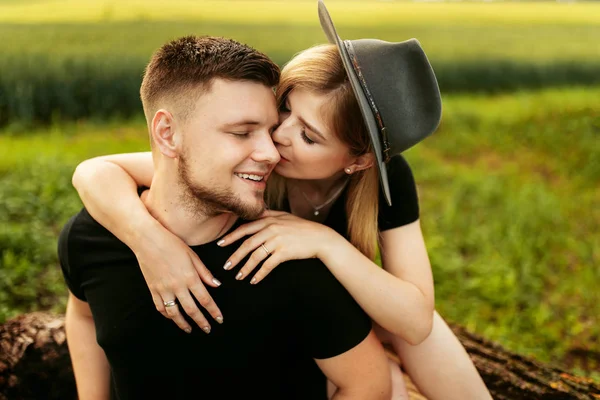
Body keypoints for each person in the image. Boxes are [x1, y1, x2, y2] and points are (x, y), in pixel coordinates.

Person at [70, 2, 493, 399]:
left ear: (359, 161)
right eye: (284, 109)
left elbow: (415, 321)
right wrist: (152, 243)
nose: (277, 138)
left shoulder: (384, 185)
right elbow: (93, 172)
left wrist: (325, 243)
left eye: (308, 136)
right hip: (300, 324)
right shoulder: (247, 164)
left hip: (353, 314)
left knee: (410, 348)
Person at [58, 34, 393, 400]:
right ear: (167, 134)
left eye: (269, 130)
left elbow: (368, 383)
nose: (271, 153)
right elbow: (85, 316)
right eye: (242, 132)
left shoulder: (287, 261)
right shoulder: (90, 238)